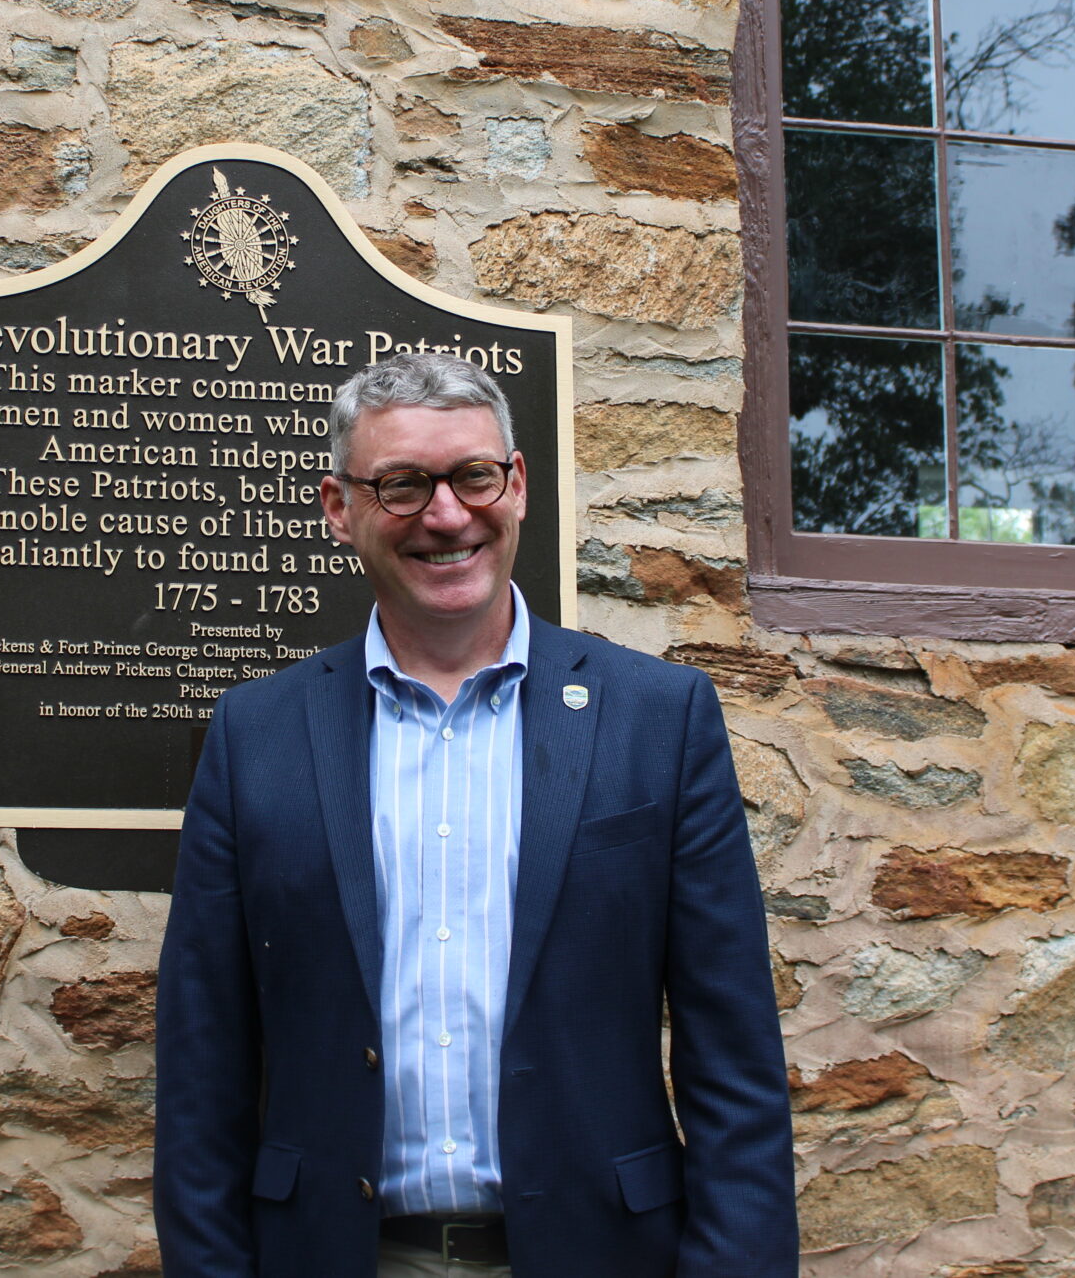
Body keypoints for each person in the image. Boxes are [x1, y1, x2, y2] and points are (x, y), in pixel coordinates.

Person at [156, 352, 795, 1278]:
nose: (447, 514)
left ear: (517, 483)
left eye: (472, 476)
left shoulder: (659, 720)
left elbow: (734, 1066)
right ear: (339, 508)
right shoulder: (257, 735)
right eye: (403, 485)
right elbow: (200, 1072)